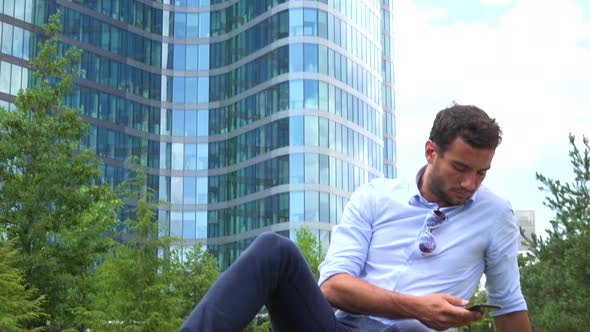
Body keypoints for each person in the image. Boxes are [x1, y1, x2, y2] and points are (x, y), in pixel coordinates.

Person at [179, 104, 531, 332]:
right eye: (460, 168)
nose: (470, 183)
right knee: (274, 250)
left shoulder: (494, 214)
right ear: (431, 152)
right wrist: (416, 308)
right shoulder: (374, 196)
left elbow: (510, 308)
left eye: (482, 173)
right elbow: (332, 288)